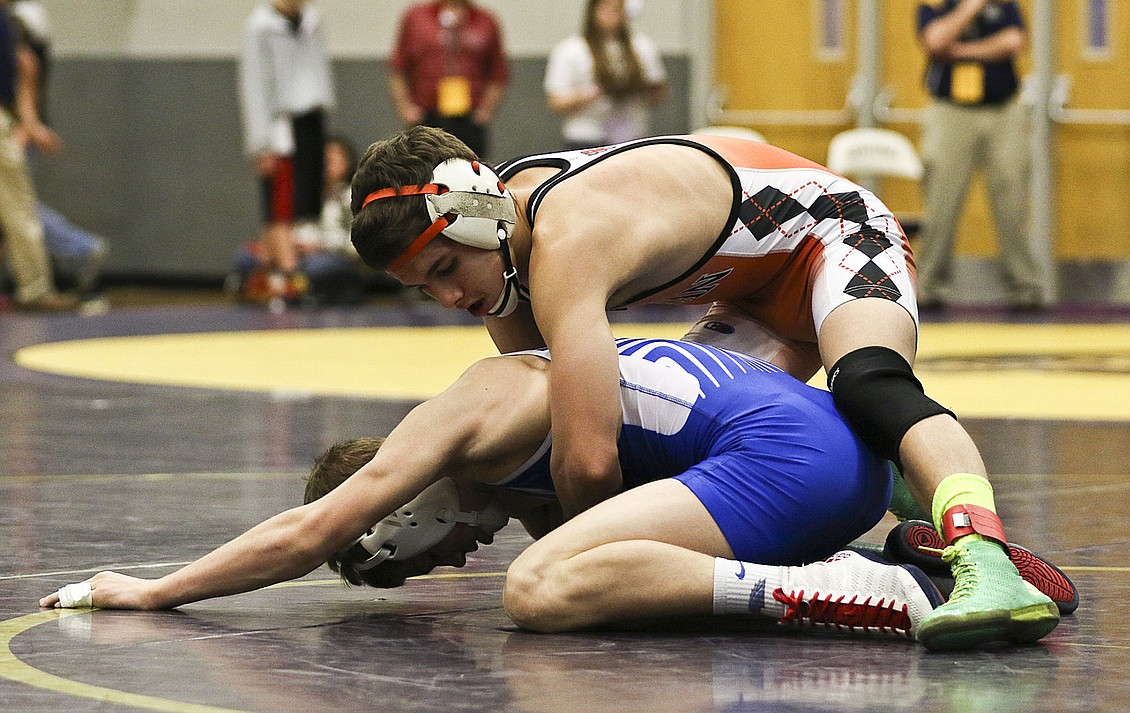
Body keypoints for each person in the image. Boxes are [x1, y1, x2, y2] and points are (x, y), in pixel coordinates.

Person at [347, 125, 1063, 650]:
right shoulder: (500, 266)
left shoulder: (563, 237)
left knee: (870, 383)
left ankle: (984, 556)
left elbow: (586, 467)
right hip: (751, 294)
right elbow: (559, 436)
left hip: (834, 232)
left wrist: (587, 558)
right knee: (696, 447)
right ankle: (892, 525)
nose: (447, 297)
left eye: (446, 269)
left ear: (478, 217)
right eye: (424, 287)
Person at [42, 338, 947, 643]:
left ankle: (846, 589)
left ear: (398, 512)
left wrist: (155, 589)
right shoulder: (540, 491)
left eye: (417, 560)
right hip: (848, 460)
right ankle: (906, 557)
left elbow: (309, 531)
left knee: (538, 587)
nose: (451, 565)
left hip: (789, 459)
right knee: (592, 567)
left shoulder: (469, 407)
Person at [914, 0, 1046, 312]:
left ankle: (1025, 289)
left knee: (1012, 202)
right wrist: (970, 8)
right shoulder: (935, 4)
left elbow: (1013, 41)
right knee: (941, 204)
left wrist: (959, 51)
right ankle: (928, 287)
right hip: (951, 113)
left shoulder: (1003, 4)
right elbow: (936, 41)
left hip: (1002, 112)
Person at [238, 0, 336, 306]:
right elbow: (254, 85)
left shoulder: (311, 20)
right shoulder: (260, 27)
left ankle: (279, 268)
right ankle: (286, 273)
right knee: (280, 200)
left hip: (310, 117)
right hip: (280, 123)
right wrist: (260, 142)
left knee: (304, 200)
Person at [231, 135, 364, 306]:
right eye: (324, 157)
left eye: (334, 156)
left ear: (348, 162)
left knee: (316, 267)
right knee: (245, 256)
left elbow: (357, 242)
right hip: (296, 252)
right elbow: (283, 226)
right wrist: (277, 246)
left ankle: (290, 289)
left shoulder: (352, 196)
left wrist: (321, 246)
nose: (327, 161)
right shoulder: (303, 194)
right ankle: (275, 288)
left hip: (331, 256)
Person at [0, 0, 73, 311]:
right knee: (19, 209)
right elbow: (26, 69)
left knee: (19, 208)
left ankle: (35, 286)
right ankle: (35, 288)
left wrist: (28, 123)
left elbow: (24, 70)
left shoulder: (9, 22)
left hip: (7, 118)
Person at [387, 0, 509, 159]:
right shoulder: (416, 18)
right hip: (426, 115)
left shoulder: (486, 21)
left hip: (469, 118)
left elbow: (498, 73)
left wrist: (486, 111)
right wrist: (406, 108)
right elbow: (397, 68)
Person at [544, 0, 668, 150]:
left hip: (632, 135)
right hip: (587, 137)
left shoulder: (642, 46)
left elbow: (660, 91)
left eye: (619, 9)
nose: (615, 15)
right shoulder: (571, 49)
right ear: (593, 11)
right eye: (608, 9)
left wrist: (638, 89)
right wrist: (592, 94)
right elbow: (556, 101)